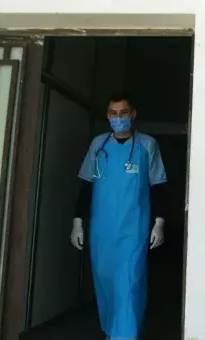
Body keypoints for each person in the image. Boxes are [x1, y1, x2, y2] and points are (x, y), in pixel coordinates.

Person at [69, 91, 167, 340]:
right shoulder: (98, 145)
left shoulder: (147, 145)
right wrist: (77, 223)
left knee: (129, 283)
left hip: (134, 229)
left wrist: (159, 223)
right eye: (113, 113)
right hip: (102, 230)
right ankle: (112, 331)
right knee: (105, 282)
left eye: (124, 113)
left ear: (133, 115)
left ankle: (125, 335)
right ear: (107, 116)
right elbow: (86, 186)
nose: (119, 118)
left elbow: (159, 186)